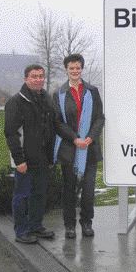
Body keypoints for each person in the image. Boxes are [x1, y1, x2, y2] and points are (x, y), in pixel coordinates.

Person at [53, 54, 105, 239]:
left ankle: (86, 222)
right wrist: (75, 139)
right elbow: (58, 122)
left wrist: (90, 137)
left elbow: (100, 118)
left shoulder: (92, 91)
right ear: (66, 69)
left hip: (90, 149)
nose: (75, 71)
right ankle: (69, 225)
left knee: (89, 191)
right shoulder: (59, 94)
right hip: (70, 149)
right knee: (69, 190)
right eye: (71, 68)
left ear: (82, 69)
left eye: (78, 68)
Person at [4, 64, 56, 244]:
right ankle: (22, 231)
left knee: (39, 195)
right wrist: (19, 160)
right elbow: (11, 133)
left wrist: (50, 157)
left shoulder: (46, 99)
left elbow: (49, 129)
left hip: (42, 159)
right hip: (25, 161)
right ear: (26, 78)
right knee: (22, 196)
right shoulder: (16, 102)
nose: (38, 79)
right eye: (34, 76)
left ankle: (36, 226)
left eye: (41, 76)